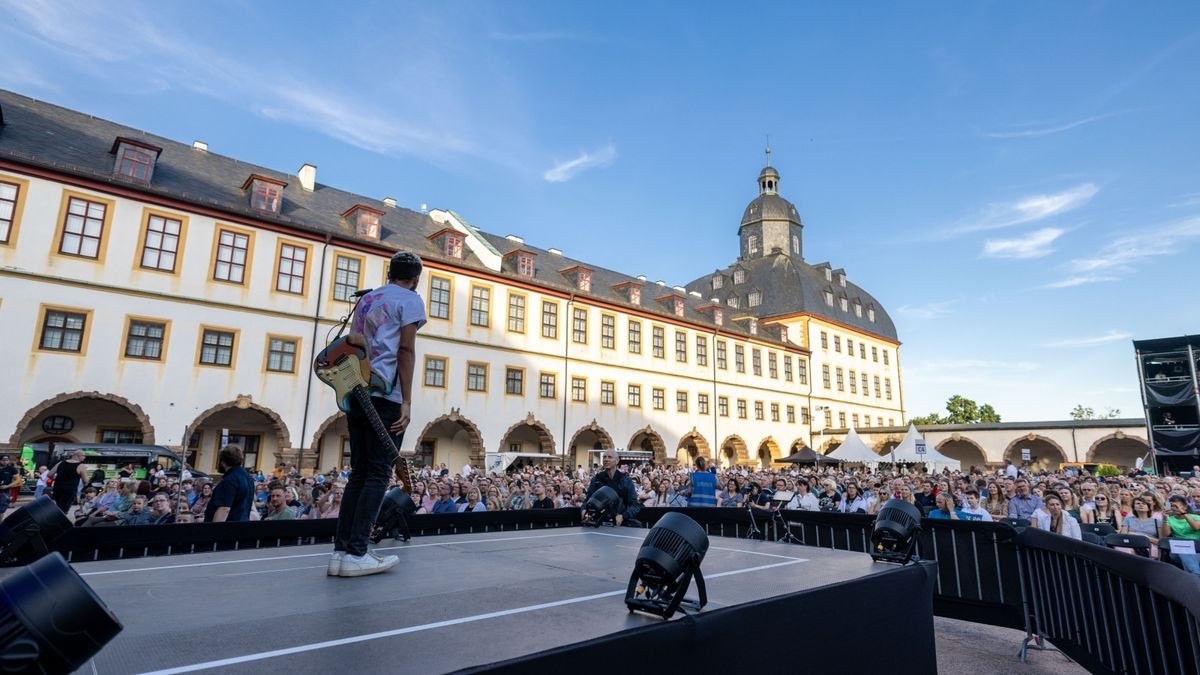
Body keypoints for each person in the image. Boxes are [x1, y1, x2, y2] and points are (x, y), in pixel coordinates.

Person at [331, 251, 426, 579]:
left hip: (357, 388)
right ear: (415, 278)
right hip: (386, 392)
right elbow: (405, 350)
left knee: (359, 473)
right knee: (376, 473)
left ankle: (341, 552)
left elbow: (354, 342)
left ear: (389, 272)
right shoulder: (411, 300)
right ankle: (358, 552)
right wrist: (407, 401)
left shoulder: (368, 299)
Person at [583, 448, 639, 526]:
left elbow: (634, 505)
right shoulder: (596, 479)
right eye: (604, 457)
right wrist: (584, 510)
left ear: (617, 460)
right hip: (598, 523)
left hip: (619, 524)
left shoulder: (626, 481)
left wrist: (623, 516)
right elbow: (587, 500)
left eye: (610, 457)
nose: (606, 459)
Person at [205, 445, 255, 523]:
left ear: (223, 462)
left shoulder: (229, 480)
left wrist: (213, 532)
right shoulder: (249, 478)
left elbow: (224, 508)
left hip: (228, 529)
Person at [1160, 495, 1200, 575]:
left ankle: (1193, 579)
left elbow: (1196, 527)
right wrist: (1165, 519)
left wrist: (1184, 514)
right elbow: (1165, 535)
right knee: (1183, 549)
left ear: (1185, 506)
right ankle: (1196, 575)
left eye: (1177, 506)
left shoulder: (1196, 517)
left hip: (1197, 549)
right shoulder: (1170, 519)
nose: (1174, 508)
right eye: (1172, 506)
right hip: (1177, 550)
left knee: (1186, 554)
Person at [49, 450, 88, 515]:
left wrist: (56, 479)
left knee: (59, 506)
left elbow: (49, 474)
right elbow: (85, 480)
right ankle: (59, 523)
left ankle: (56, 520)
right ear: (77, 456)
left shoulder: (60, 463)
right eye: (83, 456)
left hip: (57, 488)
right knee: (64, 508)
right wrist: (85, 484)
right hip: (70, 489)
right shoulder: (81, 466)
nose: (85, 457)